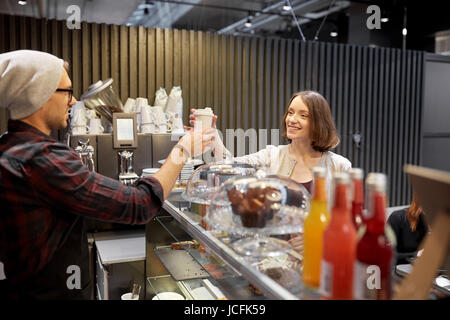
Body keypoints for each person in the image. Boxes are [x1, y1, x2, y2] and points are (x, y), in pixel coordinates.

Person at [0, 50, 214, 300]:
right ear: (39, 94)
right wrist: (183, 149)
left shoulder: (9, 146)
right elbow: (140, 204)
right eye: (67, 92)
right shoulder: (42, 158)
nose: (72, 101)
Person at [190, 90, 352, 253]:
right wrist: (213, 136)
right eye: (290, 112)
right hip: (272, 257)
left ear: (319, 122)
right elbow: (231, 166)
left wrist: (317, 238)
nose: (292, 119)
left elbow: (348, 222)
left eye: (303, 115)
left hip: (319, 260)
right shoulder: (271, 155)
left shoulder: (339, 166)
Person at [388, 192, 429, 265]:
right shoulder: (397, 218)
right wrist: (416, 254)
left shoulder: (434, 222)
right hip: (398, 270)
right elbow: (388, 255)